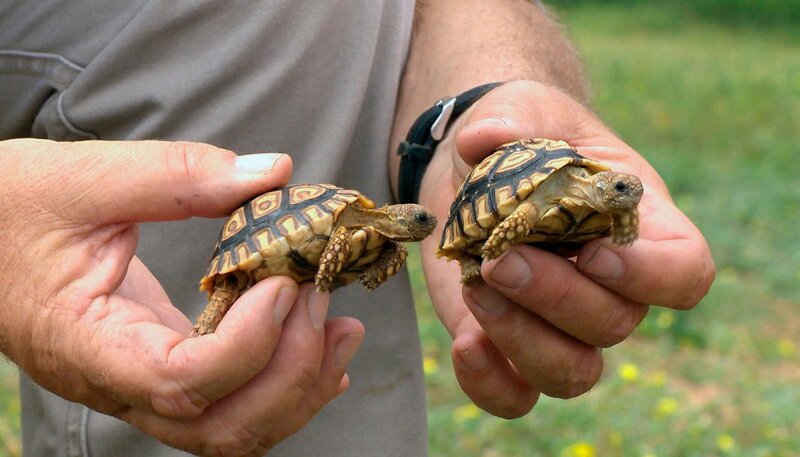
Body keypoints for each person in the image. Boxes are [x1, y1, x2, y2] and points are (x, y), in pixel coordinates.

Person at [0, 1, 715, 456]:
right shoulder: (357, 226)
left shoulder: (388, 233)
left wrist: (474, 105)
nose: (411, 232)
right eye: (412, 227)